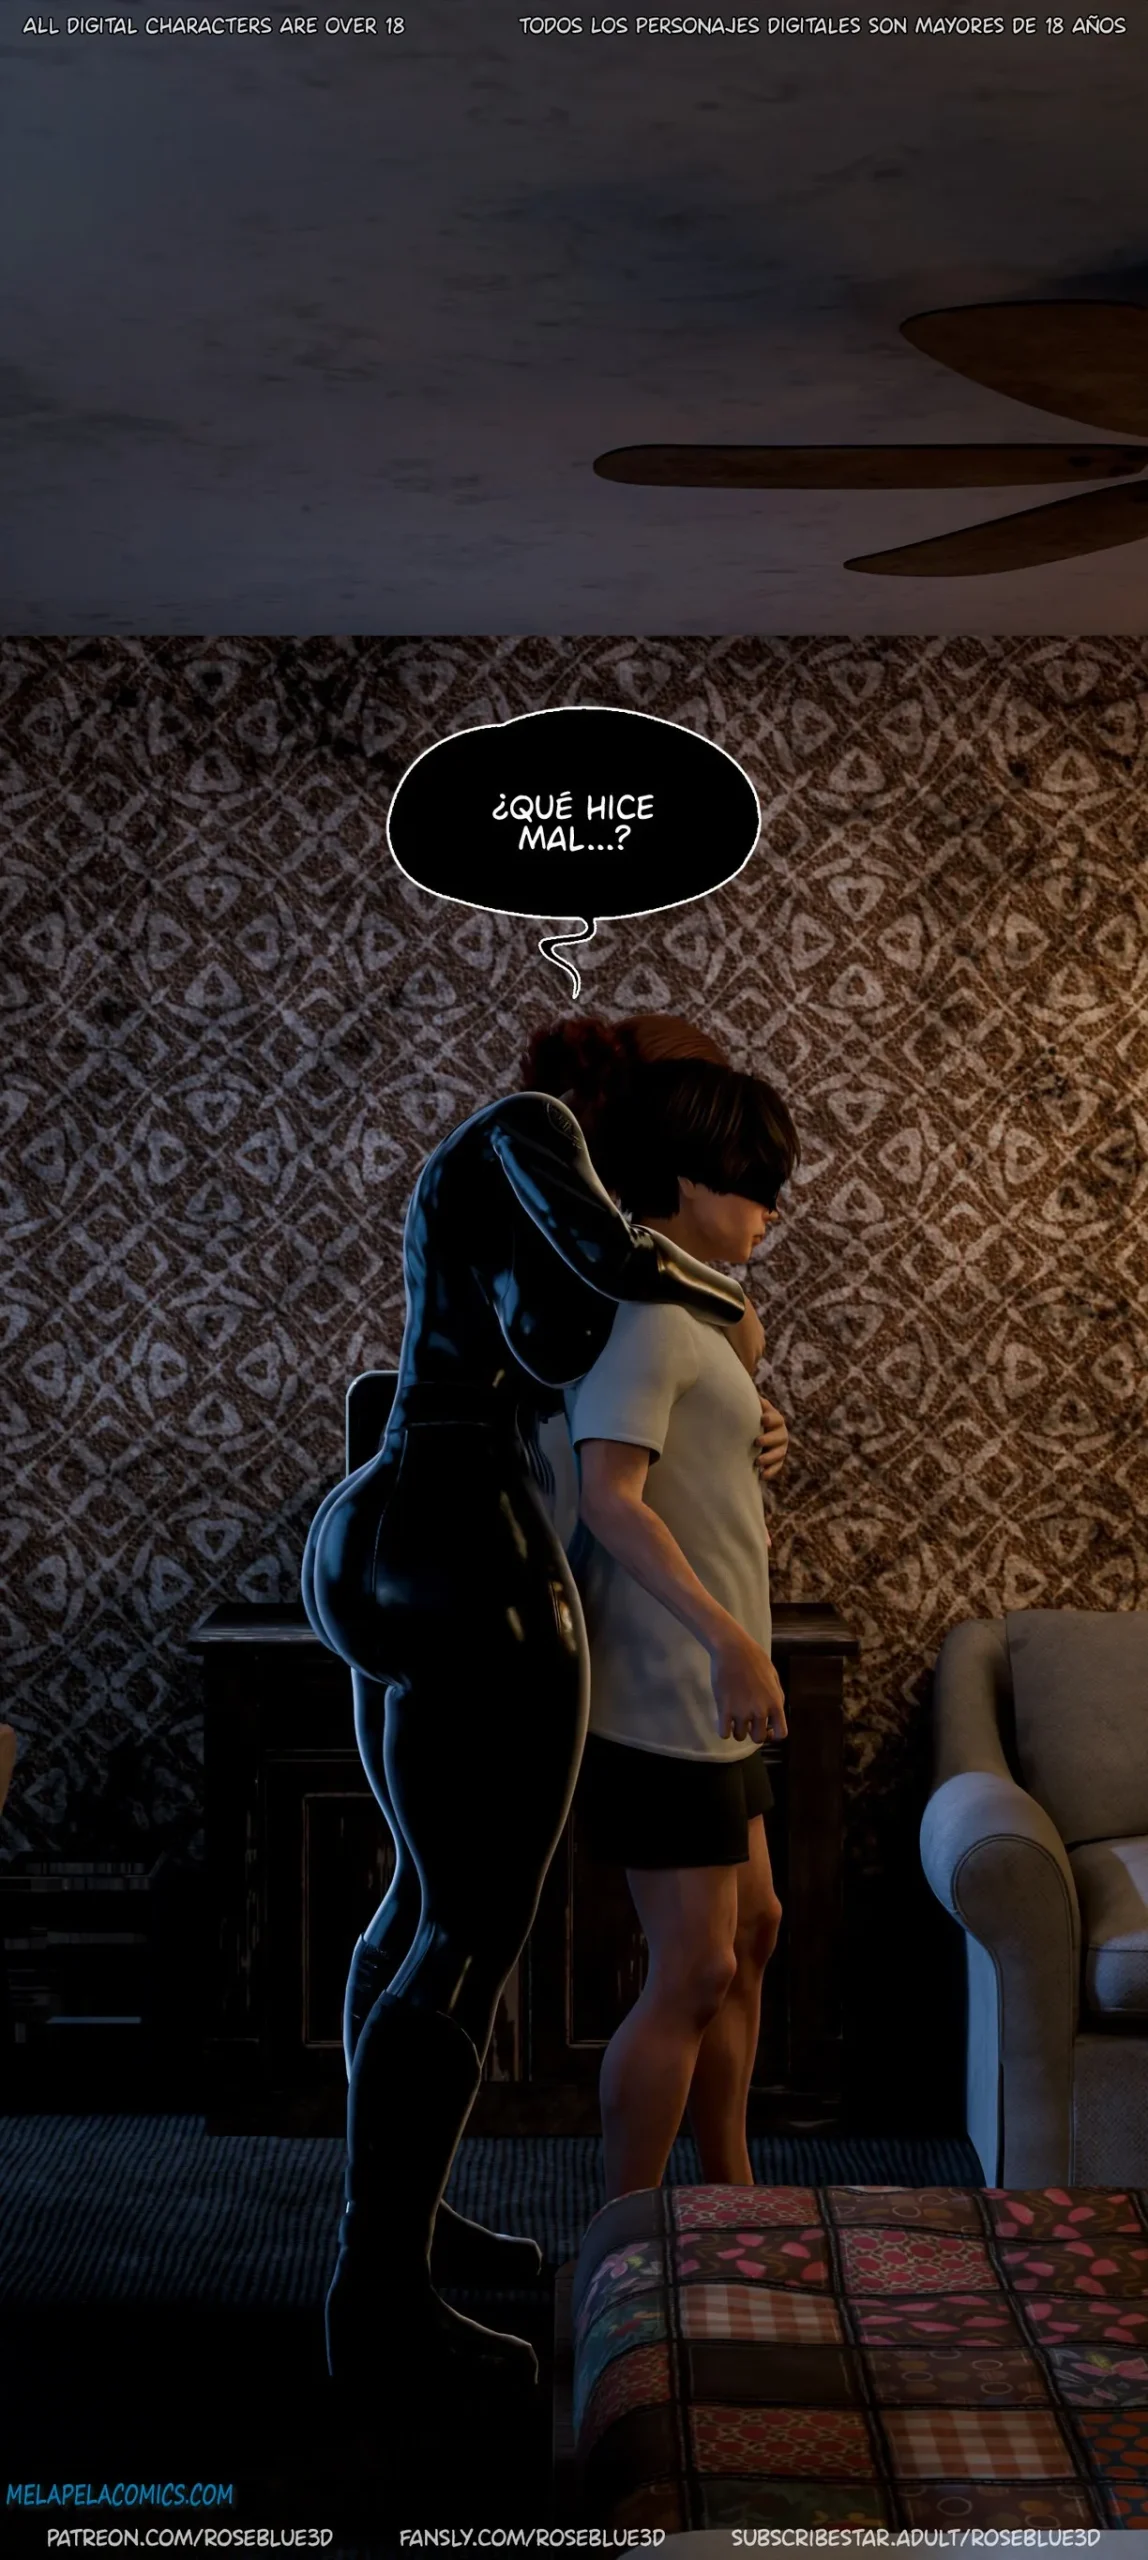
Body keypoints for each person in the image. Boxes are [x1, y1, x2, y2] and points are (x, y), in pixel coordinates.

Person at [301, 1087, 747, 2393]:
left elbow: (532, 1338)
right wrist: (718, 1297)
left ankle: (402, 2220)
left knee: (416, 1900)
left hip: (387, 1512)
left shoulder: (490, 1188)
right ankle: (378, 2294)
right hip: (460, 1534)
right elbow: (613, 1265)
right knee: (468, 1925)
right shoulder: (529, 1130)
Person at [520, 1014, 797, 2199]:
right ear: (685, 1182)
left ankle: (727, 2192)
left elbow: (709, 1429)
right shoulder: (641, 1314)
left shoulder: (692, 1311)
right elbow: (609, 1496)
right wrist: (730, 1641)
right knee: (692, 1967)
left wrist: (761, 1424)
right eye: (753, 1187)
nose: (769, 1211)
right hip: (663, 1692)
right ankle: (625, 2231)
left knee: (753, 1931)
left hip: (706, 1694)